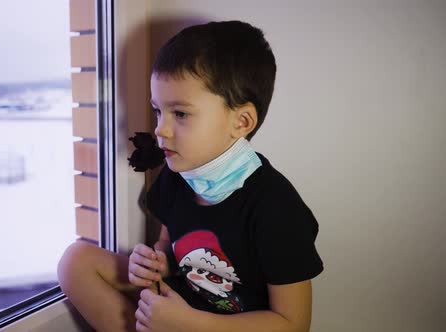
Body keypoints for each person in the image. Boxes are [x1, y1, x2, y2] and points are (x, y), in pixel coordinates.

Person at [58, 20, 324, 332]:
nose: (160, 129)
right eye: (158, 111)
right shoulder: (178, 171)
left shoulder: (276, 208)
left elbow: (294, 324)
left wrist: (192, 324)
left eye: (180, 113)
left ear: (241, 121)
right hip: (178, 306)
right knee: (75, 262)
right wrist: (154, 263)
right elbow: (168, 247)